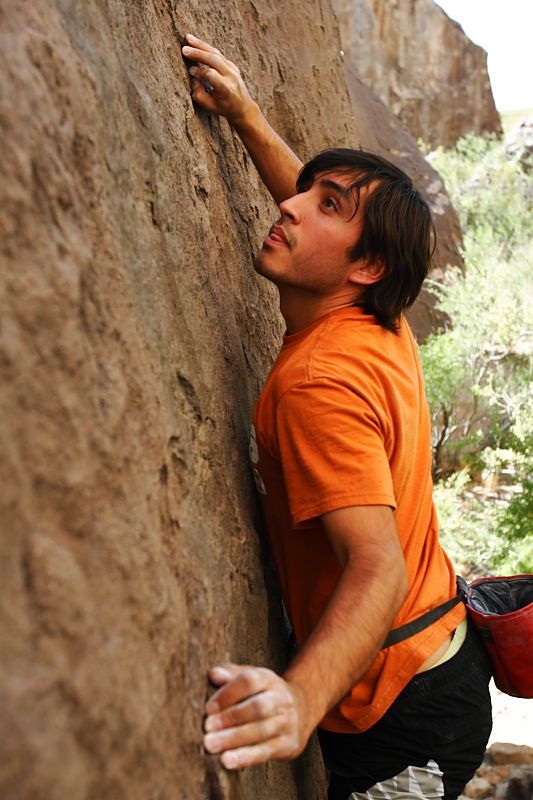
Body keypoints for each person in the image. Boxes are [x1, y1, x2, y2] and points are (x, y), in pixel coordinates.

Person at [181, 34, 493, 800]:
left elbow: (376, 566)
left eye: (324, 206)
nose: (287, 207)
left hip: (402, 713)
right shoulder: (375, 322)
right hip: (438, 658)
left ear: (365, 268)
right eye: (307, 194)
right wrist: (248, 116)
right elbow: (339, 235)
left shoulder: (320, 381)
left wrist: (298, 700)